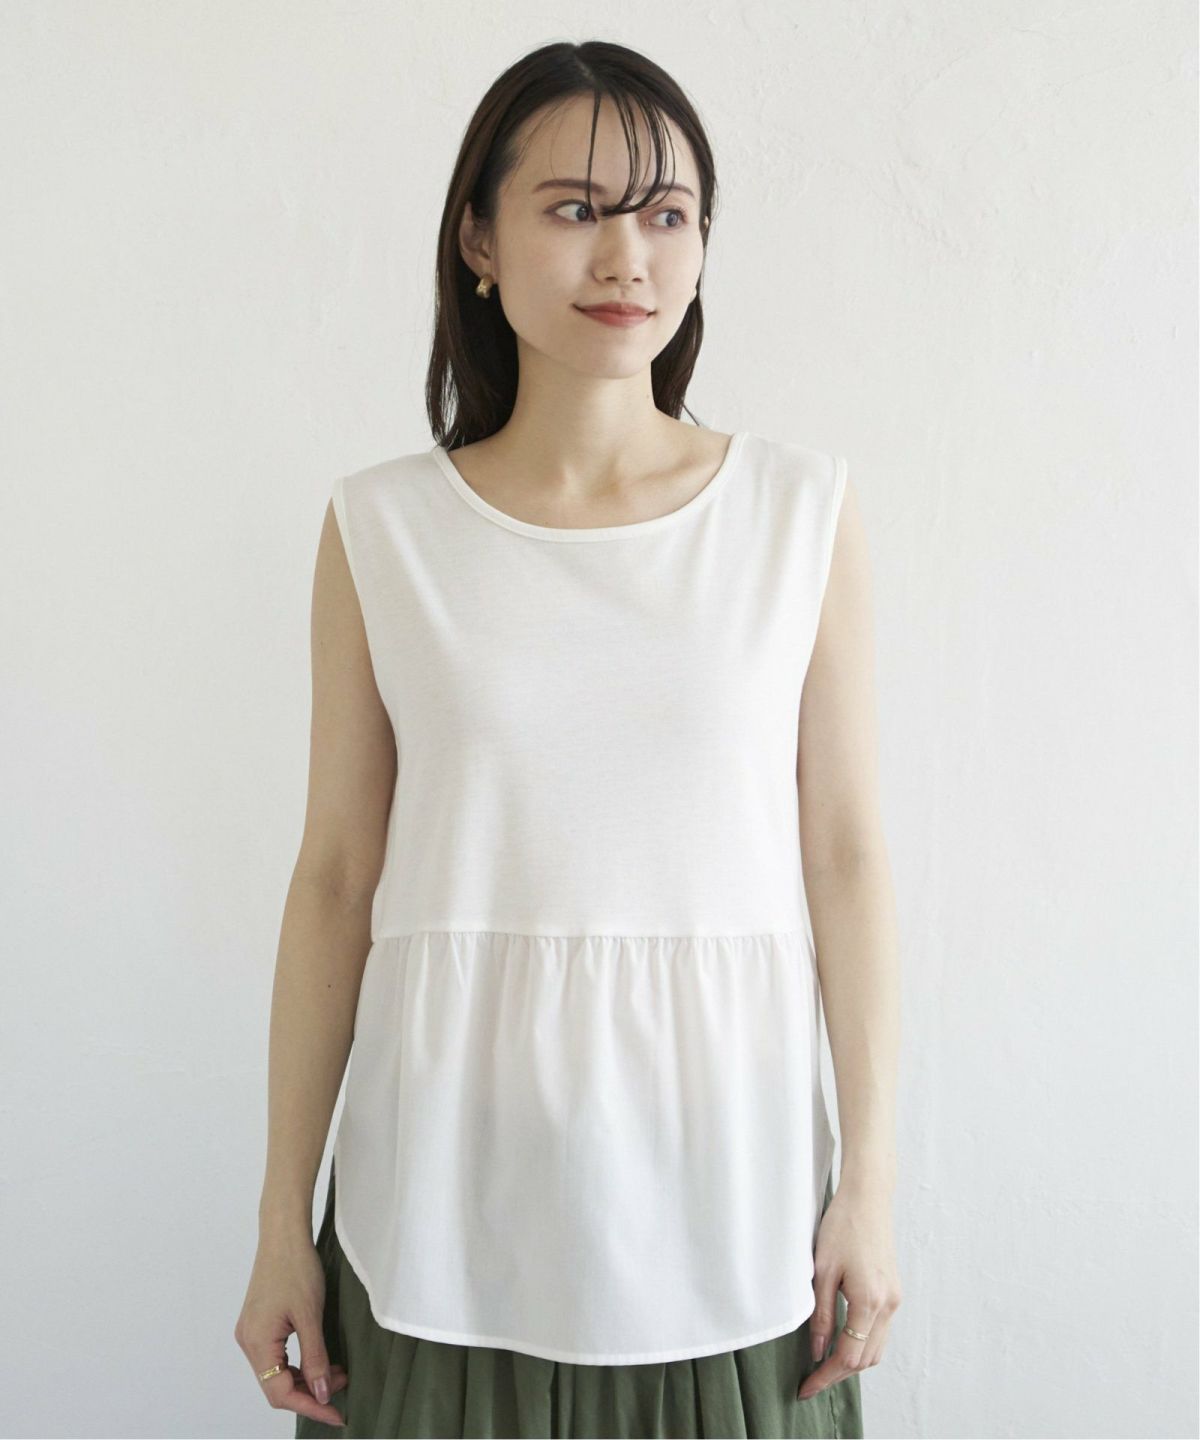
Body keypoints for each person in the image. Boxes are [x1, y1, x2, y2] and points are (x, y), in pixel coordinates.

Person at [234, 38, 902, 1440]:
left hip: (733, 1190)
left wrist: (872, 1185)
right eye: (576, 208)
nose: (626, 257)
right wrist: (282, 1218)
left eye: (667, 215)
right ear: (478, 239)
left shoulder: (797, 513)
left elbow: (844, 858)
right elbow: (337, 880)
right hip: (442, 1194)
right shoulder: (383, 531)